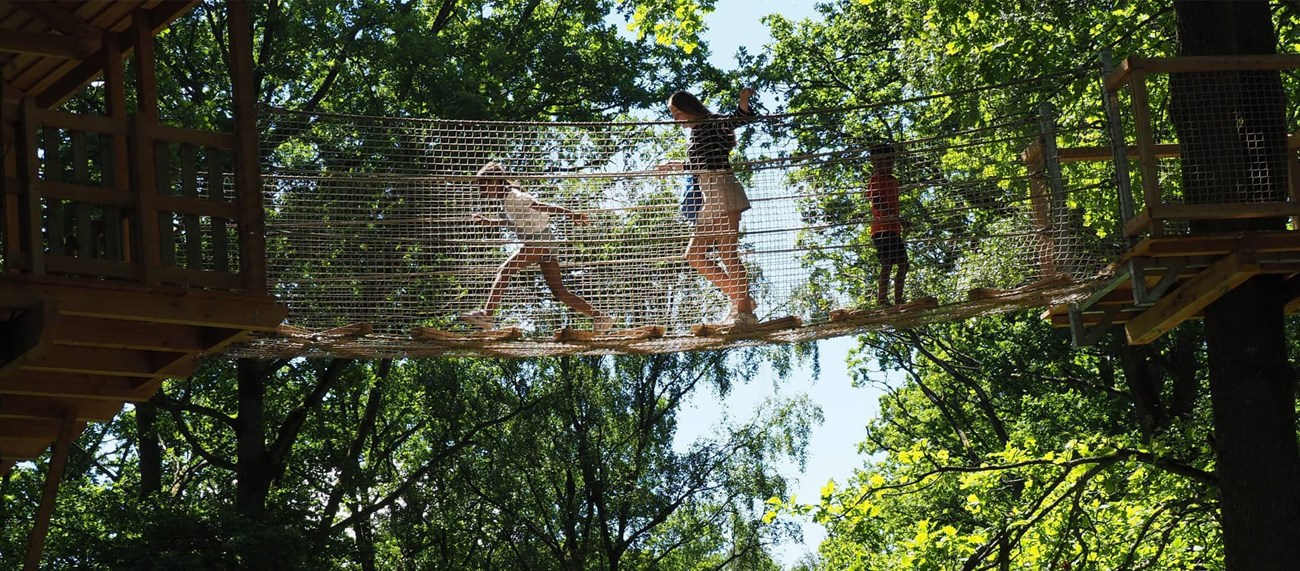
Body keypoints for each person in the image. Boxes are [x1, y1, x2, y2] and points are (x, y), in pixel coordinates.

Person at [461, 162, 613, 333]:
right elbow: (512, 221)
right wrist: (490, 222)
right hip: (547, 242)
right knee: (559, 291)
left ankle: (486, 314)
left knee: (505, 269)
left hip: (540, 241)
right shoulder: (506, 201)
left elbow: (542, 206)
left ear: (495, 182)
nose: (482, 191)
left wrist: (571, 213)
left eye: (484, 185)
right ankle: (601, 317)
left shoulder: (515, 197)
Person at [659, 87, 759, 325]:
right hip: (708, 194)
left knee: (727, 253)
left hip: (723, 188)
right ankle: (742, 299)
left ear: (688, 108)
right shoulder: (695, 133)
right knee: (694, 255)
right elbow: (699, 165)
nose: (675, 118)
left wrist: (743, 100)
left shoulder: (711, 122)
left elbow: (738, 119)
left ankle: (744, 313)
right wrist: (674, 165)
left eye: (676, 112)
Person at [865, 142, 909, 306]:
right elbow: (876, 202)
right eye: (882, 161)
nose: (888, 164)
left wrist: (899, 221)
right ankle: (881, 300)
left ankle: (898, 302)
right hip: (882, 229)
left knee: (903, 265)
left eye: (891, 160)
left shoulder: (893, 181)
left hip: (893, 229)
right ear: (874, 162)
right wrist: (894, 217)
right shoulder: (875, 180)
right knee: (888, 263)